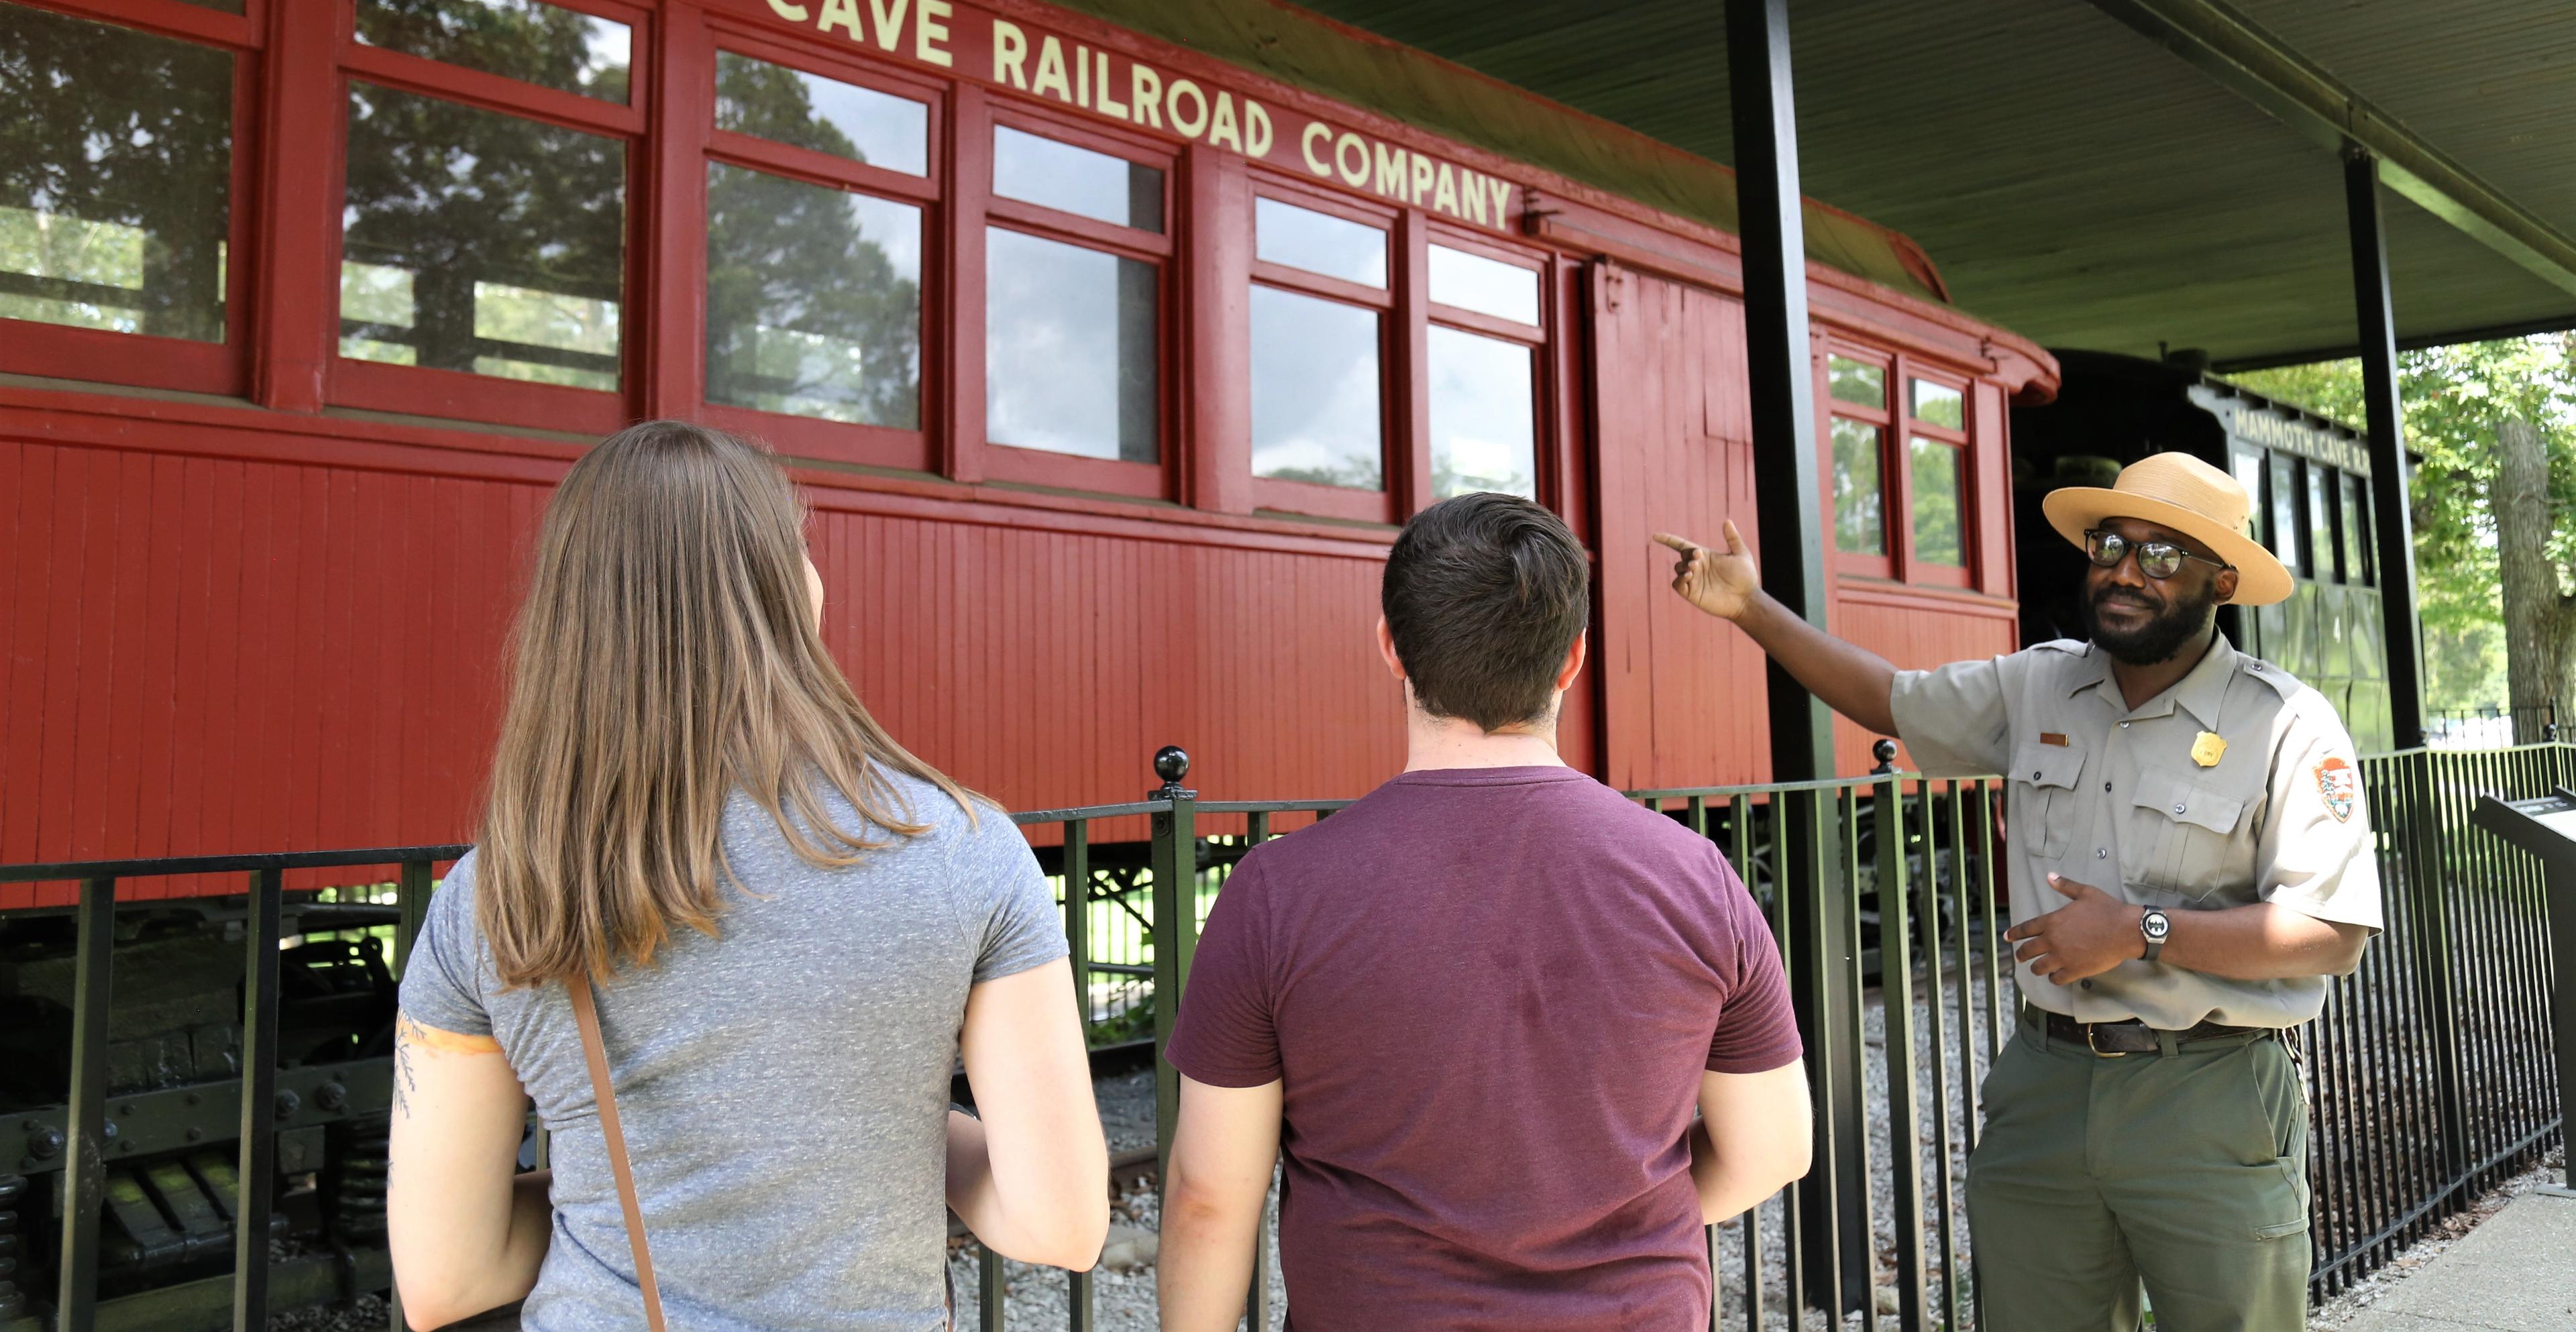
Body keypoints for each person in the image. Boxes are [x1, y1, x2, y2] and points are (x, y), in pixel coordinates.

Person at [386, 421, 1106, 1329]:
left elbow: (446, 1279)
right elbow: (1061, 1226)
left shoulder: (494, 896)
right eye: (800, 546)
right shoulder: (966, 852)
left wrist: (607, 1189)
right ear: (783, 589)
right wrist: (889, 1133)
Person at [1658, 450, 2380, 1332]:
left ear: (2221, 579)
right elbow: (1891, 699)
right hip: (2045, 1081)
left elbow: (2330, 931)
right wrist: (1748, 607)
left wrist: (2137, 931)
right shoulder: (2039, 681)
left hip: (2209, 1093)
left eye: (2160, 554)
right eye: (2111, 544)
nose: (2122, 570)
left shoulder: (2287, 722)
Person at [1157, 492, 1812, 1332]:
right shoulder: (1694, 877)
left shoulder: (1278, 891)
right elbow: (1775, 1150)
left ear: (1394, 649)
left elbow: (1210, 1197)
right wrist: (1617, 1222)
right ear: (1573, 660)